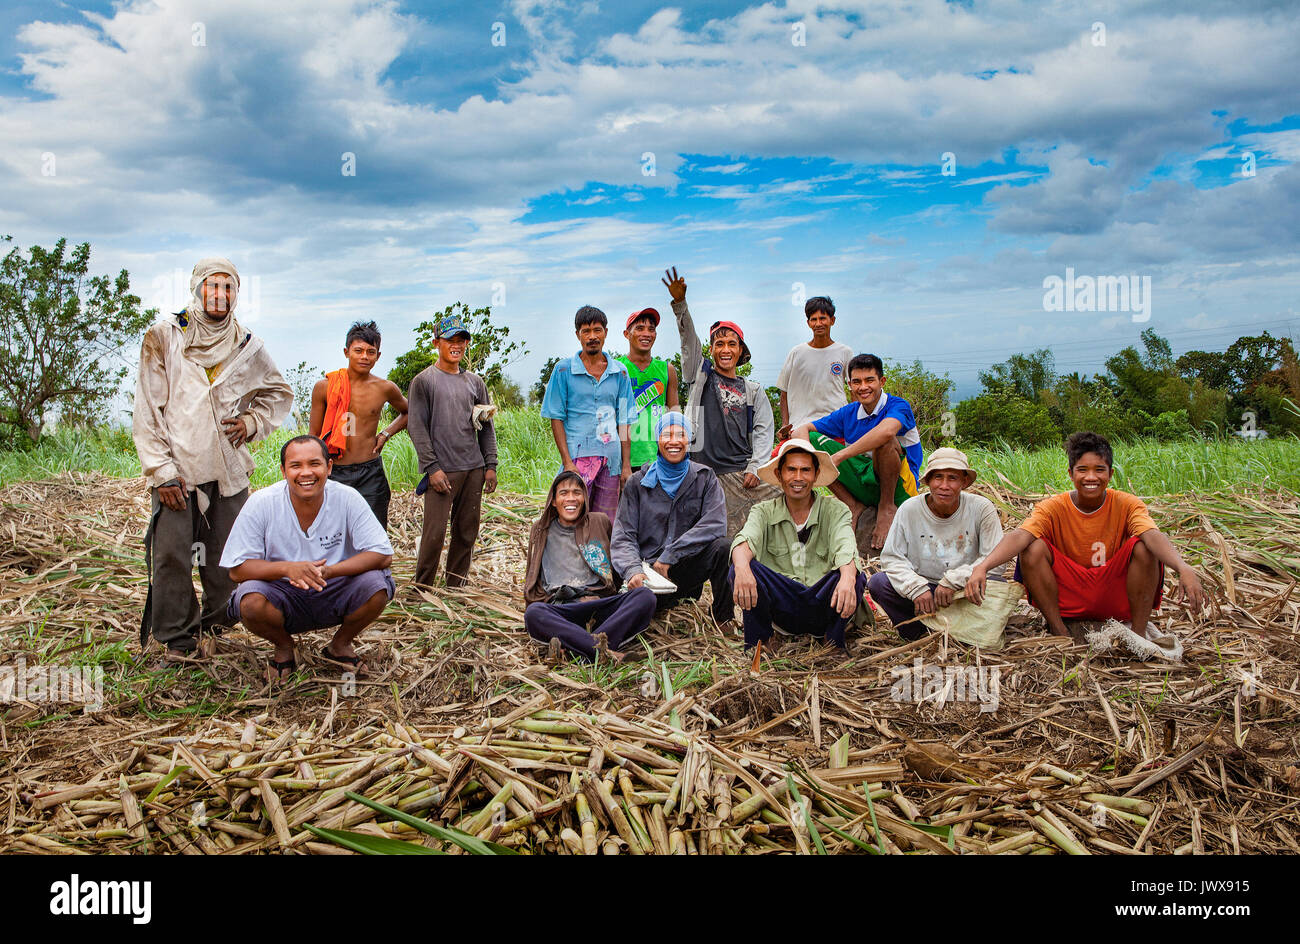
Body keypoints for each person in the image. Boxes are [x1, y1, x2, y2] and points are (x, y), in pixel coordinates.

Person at [133, 257, 293, 661]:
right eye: (213, 286)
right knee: (172, 553)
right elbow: (149, 409)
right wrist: (161, 471)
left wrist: (251, 423)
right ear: (197, 288)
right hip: (178, 470)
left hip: (227, 469)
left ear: (237, 293)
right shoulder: (165, 335)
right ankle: (178, 638)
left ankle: (220, 625)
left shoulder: (246, 344)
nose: (220, 295)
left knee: (229, 553)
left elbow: (278, 393)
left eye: (228, 287)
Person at [966, 431, 1206, 637]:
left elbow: (1152, 533)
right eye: (1083, 470)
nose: (1091, 477)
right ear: (1071, 474)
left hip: (1115, 594)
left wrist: (1183, 567)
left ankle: (1138, 634)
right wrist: (983, 567)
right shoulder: (1053, 507)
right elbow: (1020, 535)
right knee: (1032, 547)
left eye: (1099, 470)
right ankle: (1059, 631)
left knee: (1143, 546)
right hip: (1069, 596)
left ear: (1110, 474)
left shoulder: (1128, 504)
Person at [221, 435, 395, 681]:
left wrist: (330, 571)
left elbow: (382, 554)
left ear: (329, 467)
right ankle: (284, 646)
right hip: (283, 591)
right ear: (283, 471)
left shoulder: (347, 498)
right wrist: (287, 569)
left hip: (333, 586)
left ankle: (340, 644)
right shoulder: (261, 503)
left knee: (377, 585)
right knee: (249, 601)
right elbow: (237, 570)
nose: (306, 473)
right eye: (296, 466)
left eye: (314, 464)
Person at [663, 266, 779, 536]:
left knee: (783, 501)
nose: (725, 349)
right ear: (711, 349)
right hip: (705, 473)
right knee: (715, 536)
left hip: (741, 471)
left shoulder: (753, 390)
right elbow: (688, 341)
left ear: (741, 351)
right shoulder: (699, 374)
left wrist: (756, 467)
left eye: (732, 344)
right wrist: (680, 304)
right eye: (719, 343)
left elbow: (764, 432)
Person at [729, 439, 867, 651]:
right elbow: (745, 540)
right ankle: (762, 641)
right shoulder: (763, 511)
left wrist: (848, 578)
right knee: (739, 568)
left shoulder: (835, 510)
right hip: (782, 602)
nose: (798, 478)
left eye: (805, 470)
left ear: (815, 474)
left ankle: (833, 642)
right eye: (791, 470)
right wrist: (742, 568)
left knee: (854, 574)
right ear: (779, 475)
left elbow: (846, 548)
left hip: (822, 600)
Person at [610, 412, 734, 627]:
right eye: (667, 435)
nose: (674, 441)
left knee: (724, 547)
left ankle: (724, 619)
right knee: (635, 601)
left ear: (689, 440)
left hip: (686, 571)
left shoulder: (705, 478)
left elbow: (715, 523)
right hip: (649, 576)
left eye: (681, 434)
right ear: (658, 440)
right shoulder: (637, 483)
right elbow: (623, 535)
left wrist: (672, 554)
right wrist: (633, 570)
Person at [868, 448, 1004, 640]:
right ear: (929, 481)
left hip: (964, 590)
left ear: (964, 482)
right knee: (879, 583)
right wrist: (916, 588)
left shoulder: (981, 508)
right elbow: (892, 558)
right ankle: (918, 635)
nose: (944, 486)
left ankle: (966, 635)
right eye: (938, 477)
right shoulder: (910, 509)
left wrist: (954, 580)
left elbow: (995, 560)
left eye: (953, 478)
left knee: (997, 584)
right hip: (925, 591)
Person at [791, 353, 923, 550]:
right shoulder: (849, 412)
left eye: (869, 380)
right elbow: (801, 430)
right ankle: (852, 504)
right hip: (864, 483)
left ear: (882, 381)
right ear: (849, 385)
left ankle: (886, 507)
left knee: (886, 442)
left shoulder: (898, 406)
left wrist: (840, 455)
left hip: (899, 487)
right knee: (811, 440)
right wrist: (809, 459)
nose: (863, 387)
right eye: (856, 382)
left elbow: (886, 431)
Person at [524, 471, 657, 663]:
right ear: (553, 501)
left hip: (599, 604)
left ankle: (576, 649)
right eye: (564, 493)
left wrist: (625, 584)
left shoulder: (599, 521)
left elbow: (617, 559)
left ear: (585, 498)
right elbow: (532, 578)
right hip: (564, 609)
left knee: (645, 597)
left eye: (577, 492)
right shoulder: (540, 530)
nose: (571, 498)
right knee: (534, 613)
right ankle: (604, 650)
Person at [407, 312, 499, 589]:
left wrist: (490, 465)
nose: (456, 345)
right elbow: (416, 427)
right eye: (450, 340)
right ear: (437, 343)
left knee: (466, 531)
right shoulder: (424, 382)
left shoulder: (475, 382)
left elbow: (486, 425)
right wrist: (432, 468)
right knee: (434, 534)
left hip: (473, 468)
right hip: (443, 471)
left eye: (461, 340)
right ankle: (422, 590)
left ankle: (456, 587)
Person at [309, 320, 408, 529]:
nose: (364, 357)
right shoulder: (325, 388)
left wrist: (386, 434)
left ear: (378, 356)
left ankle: (376, 563)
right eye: (358, 350)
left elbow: (409, 412)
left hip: (370, 471)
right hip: (335, 471)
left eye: (371, 352)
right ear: (346, 352)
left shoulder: (385, 388)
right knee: (332, 532)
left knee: (373, 531)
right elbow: (313, 435)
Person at [541, 305, 634, 519]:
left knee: (604, 521)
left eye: (597, 330)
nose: (592, 337)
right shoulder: (563, 370)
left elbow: (624, 420)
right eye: (586, 331)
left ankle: (600, 555)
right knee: (570, 518)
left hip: (611, 461)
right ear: (578, 335)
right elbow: (556, 417)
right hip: (577, 459)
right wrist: (567, 462)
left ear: (606, 333)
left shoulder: (619, 372)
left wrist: (626, 465)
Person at [775, 296, 852, 442]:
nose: (818, 323)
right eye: (813, 319)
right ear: (808, 323)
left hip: (835, 427)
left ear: (832, 320)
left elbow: (854, 391)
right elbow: (784, 393)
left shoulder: (844, 352)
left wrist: (856, 424)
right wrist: (785, 424)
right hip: (800, 428)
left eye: (823, 318)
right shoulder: (796, 353)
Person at [615, 307, 680, 472]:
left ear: (656, 335)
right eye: (639, 328)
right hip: (623, 460)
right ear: (626, 334)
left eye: (651, 329)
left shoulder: (667, 370)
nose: (646, 334)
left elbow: (674, 416)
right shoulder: (616, 368)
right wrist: (624, 464)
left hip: (658, 457)